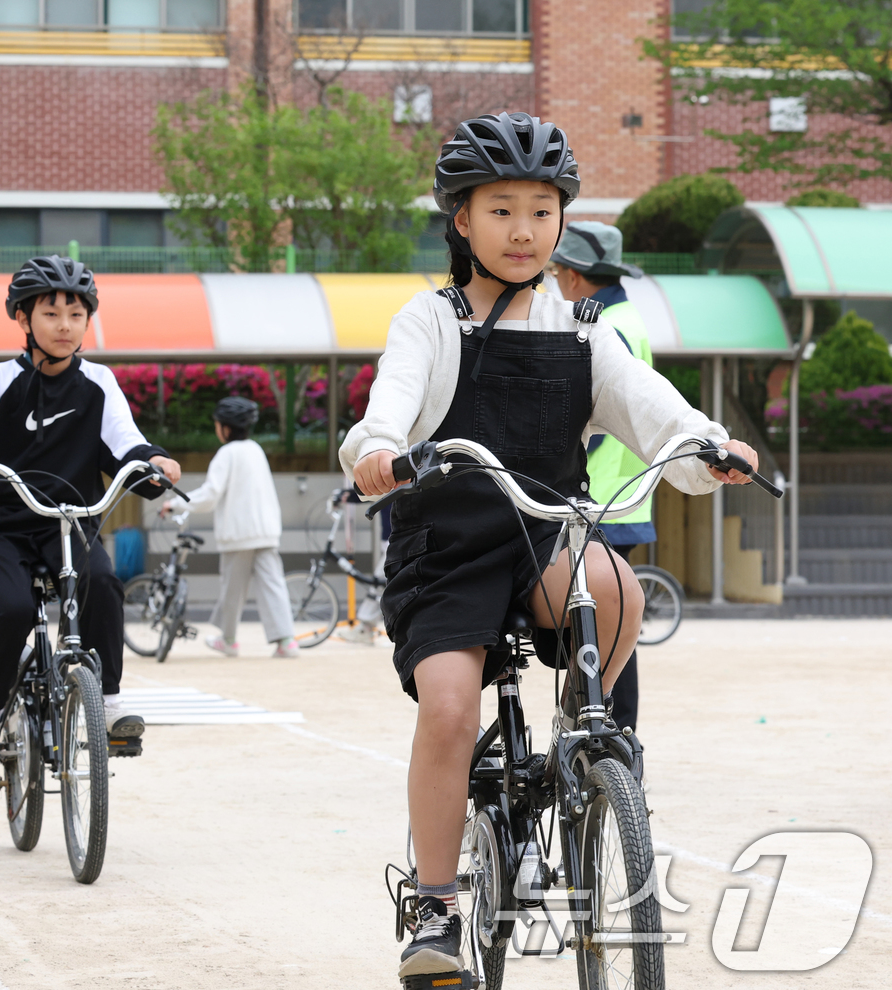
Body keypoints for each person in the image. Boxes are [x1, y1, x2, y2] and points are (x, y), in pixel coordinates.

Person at [341, 112, 759, 980]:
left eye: (541, 208)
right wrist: (379, 456)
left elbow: (655, 409)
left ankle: (586, 747)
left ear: (563, 218)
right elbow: (385, 413)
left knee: (616, 585)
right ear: (461, 220)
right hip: (447, 549)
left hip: (541, 538)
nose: (523, 229)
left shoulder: (583, 328)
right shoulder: (429, 320)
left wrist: (710, 445)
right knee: (451, 708)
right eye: (500, 210)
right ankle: (434, 906)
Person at [0, 256, 183, 785]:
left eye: (75, 313)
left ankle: (108, 702)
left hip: (66, 520)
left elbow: (125, 441)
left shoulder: (98, 382)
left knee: (104, 583)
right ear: (23, 320)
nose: (65, 325)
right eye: (50, 313)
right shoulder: (1, 378)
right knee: (13, 608)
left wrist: (154, 463)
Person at [552, 221, 653, 736]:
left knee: (603, 624)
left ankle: (613, 732)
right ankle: (612, 733)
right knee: (611, 623)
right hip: (628, 496)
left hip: (600, 498)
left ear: (574, 276)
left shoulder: (605, 326)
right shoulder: (627, 316)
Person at [162, 396, 299, 659]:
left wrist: (175, 504)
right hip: (266, 530)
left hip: (238, 532)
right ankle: (286, 641)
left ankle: (228, 639)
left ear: (225, 427)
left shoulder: (226, 454)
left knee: (232, 589)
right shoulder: (255, 449)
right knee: (273, 585)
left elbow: (210, 494)